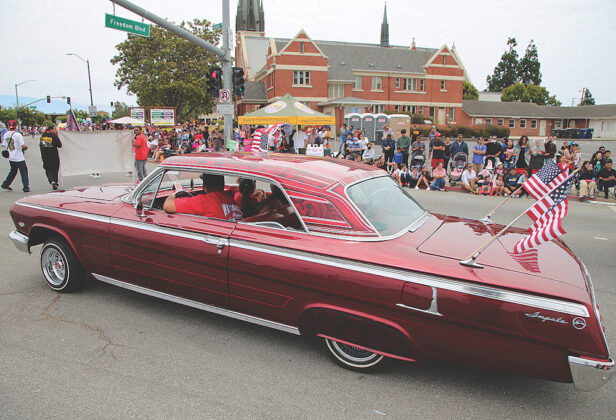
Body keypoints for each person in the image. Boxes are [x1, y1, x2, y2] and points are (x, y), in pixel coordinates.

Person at [163, 173, 243, 220]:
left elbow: (167, 206)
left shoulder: (204, 201)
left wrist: (172, 196)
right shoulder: (232, 201)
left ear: (204, 186)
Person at [1, 120, 30, 192]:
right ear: (15, 126)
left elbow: (4, 144)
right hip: (19, 157)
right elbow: (22, 146)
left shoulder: (6, 135)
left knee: (13, 171)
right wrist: (26, 147)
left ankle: (5, 184)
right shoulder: (18, 135)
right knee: (24, 172)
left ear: (8, 126)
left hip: (11, 157)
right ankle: (26, 187)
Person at [39, 125, 62, 190]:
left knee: (48, 169)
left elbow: (41, 146)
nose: (56, 130)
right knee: (55, 170)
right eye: (55, 129)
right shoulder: (54, 136)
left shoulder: (43, 136)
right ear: (51, 130)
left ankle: (52, 181)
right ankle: (55, 182)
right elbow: (59, 145)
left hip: (45, 156)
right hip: (54, 156)